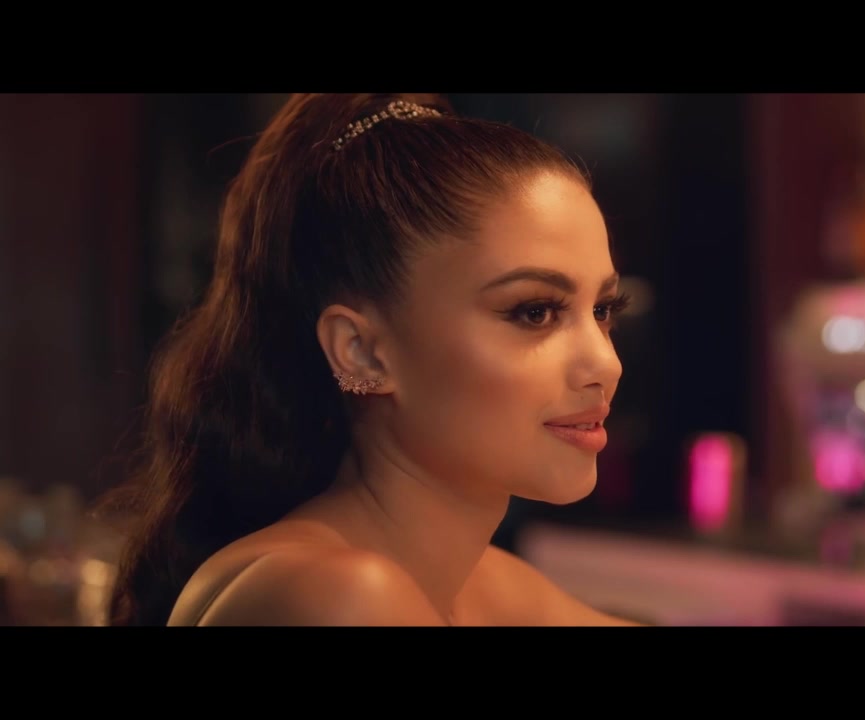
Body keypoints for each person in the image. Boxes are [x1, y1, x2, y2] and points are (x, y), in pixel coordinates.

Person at [102, 93, 638, 626]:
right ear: (361, 353)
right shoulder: (345, 595)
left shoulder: (480, 584)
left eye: (603, 310)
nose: (606, 364)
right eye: (535, 312)